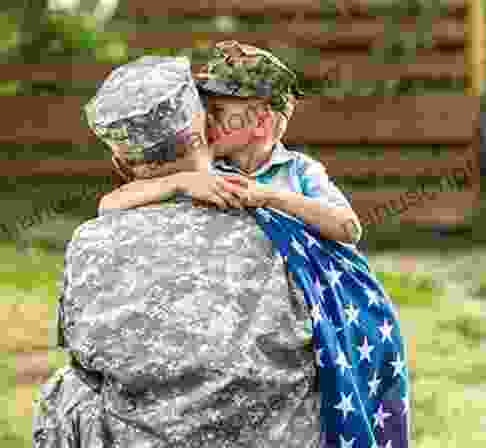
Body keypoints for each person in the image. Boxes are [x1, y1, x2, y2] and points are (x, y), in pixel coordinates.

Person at [32, 55, 322, 448]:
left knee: (67, 390)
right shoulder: (284, 220)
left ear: (120, 161)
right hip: (277, 437)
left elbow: (87, 356)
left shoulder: (91, 244)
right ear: (205, 125)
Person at [99, 40, 362, 246]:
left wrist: (269, 196)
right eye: (203, 106)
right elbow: (109, 205)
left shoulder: (299, 171)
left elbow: (349, 229)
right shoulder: (201, 166)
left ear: (261, 123)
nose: (205, 118)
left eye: (218, 110)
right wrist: (180, 182)